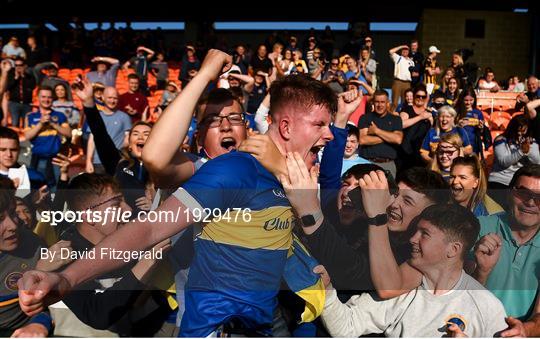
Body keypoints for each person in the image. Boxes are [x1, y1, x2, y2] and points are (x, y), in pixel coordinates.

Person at [17, 51, 359, 337]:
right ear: (196, 140)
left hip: (281, 316)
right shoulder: (223, 171)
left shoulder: (281, 173)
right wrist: (67, 277)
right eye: (214, 120)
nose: (226, 125)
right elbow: (150, 221)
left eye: (235, 118)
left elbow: (323, 191)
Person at [320, 203, 507, 337]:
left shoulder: (488, 307)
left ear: (453, 249)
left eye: (424, 234)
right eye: (416, 231)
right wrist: (327, 290)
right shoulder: (402, 289)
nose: (412, 239)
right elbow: (347, 326)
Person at [54, 173, 172, 336]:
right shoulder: (63, 257)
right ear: (90, 215)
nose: (128, 210)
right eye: (117, 205)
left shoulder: (133, 235)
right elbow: (97, 314)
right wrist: (147, 262)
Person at [472, 164, 540, 320]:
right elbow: (457, 298)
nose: (530, 202)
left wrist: (524, 331)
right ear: (509, 193)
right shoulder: (479, 227)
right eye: (523, 193)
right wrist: (481, 272)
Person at [0, 181, 52, 338]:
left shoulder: (33, 245)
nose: (13, 225)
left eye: (12, 213)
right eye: (0, 218)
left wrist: (38, 325)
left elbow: (49, 305)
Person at [488, 114, 540, 210]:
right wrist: (521, 152)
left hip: (520, 184)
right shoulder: (501, 140)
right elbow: (503, 162)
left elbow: (537, 162)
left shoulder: (532, 141)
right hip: (500, 181)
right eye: (517, 130)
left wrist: (528, 149)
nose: (520, 134)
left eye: (523, 131)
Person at [24, 86, 71, 187]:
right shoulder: (30, 116)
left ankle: (56, 203)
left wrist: (53, 124)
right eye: (43, 97)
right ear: (38, 98)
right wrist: (40, 124)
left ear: (53, 98)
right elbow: (27, 136)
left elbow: (68, 133)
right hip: (38, 157)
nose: (46, 100)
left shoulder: (60, 115)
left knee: (56, 187)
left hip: (55, 158)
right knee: (38, 187)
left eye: (49, 97)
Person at [85, 87, 132, 174]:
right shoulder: (97, 117)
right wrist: (88, 161)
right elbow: (92, 140)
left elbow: (127, 139)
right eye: (109, 98)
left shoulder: (124, 117)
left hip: (117, 162)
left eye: (115, 98)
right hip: (98, 162)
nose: (112, 101)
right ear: (102, 97)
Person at [358, 89, 403, 177]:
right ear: (373, 103)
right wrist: (388, 137)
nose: (379, 105)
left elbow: (398, 139)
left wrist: (376, 131)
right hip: (367, 163)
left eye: (382, 102)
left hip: (388, 164)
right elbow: (362, 140)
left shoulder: (396, 119)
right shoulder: (365, 118)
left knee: (388, 190)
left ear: (387, 103)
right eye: (377, 102)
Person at [397, 84, 433, 171]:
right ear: (414, 96)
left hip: (421, 153)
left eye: (423, 96)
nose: (420, 98)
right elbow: (401, 124)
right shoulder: (407, 109)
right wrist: (420, 117)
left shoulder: (429, 113)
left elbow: (431, 130)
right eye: (418, 96)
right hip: (406, 152)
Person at [455, 87, 490, 156]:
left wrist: (481, 127)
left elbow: (482, 132)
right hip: (459, 145)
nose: (468, 103)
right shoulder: (456, 111)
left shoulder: (478, 112)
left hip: (474, 145)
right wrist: (457, 125)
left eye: (471, 100)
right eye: (466, 100)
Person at [6, 57, 35, 128]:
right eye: (16, 65)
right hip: (14, 103)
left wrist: (23, 76)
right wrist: (16, 78)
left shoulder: (29, 76)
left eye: (20, 65)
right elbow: (7, 88)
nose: (18, 67)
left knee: (27, 125)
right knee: (15, 124)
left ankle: (25, 139)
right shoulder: (10, 76)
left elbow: (32, 87)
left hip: (27, 104)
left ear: (24, 66)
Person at [389, 44, 415, 111]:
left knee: (406, 102)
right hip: (398, 82)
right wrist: (401, 46)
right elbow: (391, 51)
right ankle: (391, 117)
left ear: (409, 51)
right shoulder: (398, 58)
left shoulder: (412, 62)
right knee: (395, 102)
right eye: (403, 49)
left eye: (406, 49)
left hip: (407, 83)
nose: (405, 51)